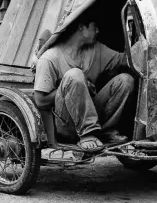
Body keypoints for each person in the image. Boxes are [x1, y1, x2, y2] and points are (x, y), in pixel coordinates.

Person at [34, 12, 135, 152]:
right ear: (81, 27)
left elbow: (124, 60)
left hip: (93, 118)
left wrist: (145, 48)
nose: (98, 31)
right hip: (66, 124)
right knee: (75, 75)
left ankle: (104, 131)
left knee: (125, 80)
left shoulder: (95, 49)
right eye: (95, 27)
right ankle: (87, 134)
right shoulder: (50, 58)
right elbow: (40, 101)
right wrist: (67, 87)